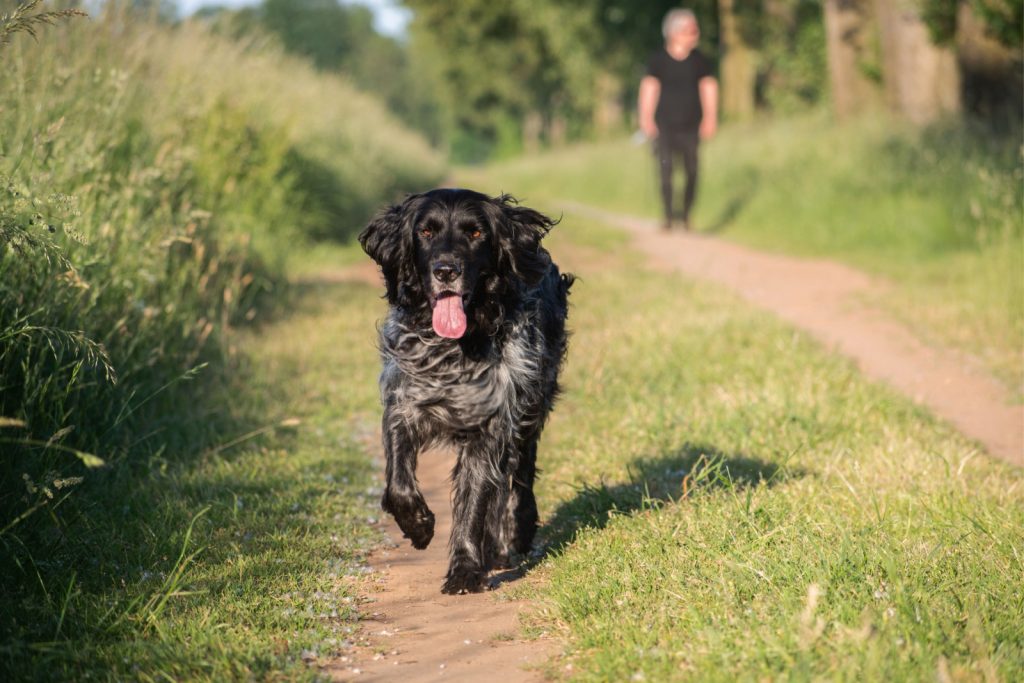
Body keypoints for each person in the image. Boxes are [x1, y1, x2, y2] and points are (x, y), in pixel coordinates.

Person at [638, 9, 718, 231]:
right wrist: (645, 118)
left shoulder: (700, 60)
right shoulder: (658, 60)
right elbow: (649, 88)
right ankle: (668, 216)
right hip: (664, 125)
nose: (695, 34)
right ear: (674, 33)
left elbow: (709, 87)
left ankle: (686, 215)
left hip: (692, 125)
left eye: (695, 30)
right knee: (665, 171)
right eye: (690, 30)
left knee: (692, 171)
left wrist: (711, 118)